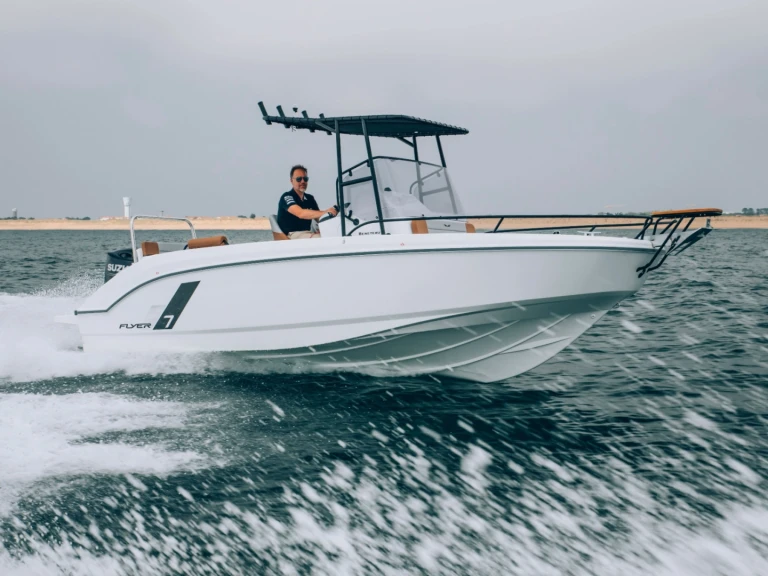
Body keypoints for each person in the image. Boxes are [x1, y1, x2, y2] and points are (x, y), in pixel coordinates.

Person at [277, 165, 337, 239]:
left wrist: (325, 226)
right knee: (321, 238)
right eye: (299, 179)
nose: (303, 181)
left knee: (333, 234)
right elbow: (300, 213)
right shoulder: (287, 197)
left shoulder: (310, 198)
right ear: (291, 181)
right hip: (290, 235)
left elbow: (319, 218)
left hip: (306, 233)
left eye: (305, 179)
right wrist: (326, 212)